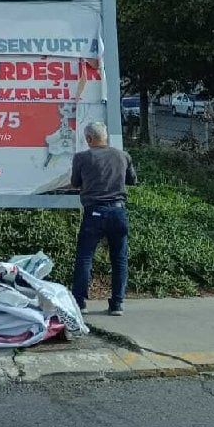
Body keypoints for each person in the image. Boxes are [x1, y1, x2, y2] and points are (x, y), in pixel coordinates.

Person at [70, 121, 137, 316]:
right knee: (119, 259)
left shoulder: (81, 158)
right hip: (118, 212)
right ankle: (117, 304)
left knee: (85, 257)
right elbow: (132, 180)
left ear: (89, 139)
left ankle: (80, 302)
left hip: (94, 212)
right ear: (105, 137)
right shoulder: (123, 156)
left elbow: (75, 182)